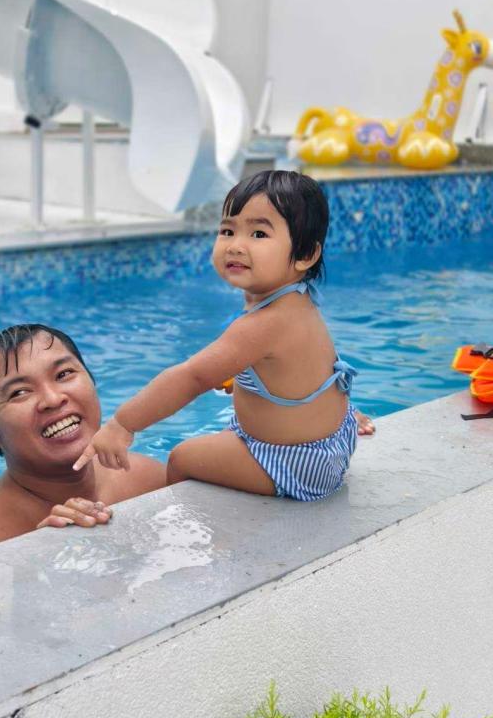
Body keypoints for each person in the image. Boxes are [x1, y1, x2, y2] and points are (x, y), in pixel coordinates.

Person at [76, 170, 362, 502]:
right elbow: (294, 371)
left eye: (258, 233)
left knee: (181, 458)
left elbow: (192, 377)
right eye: (228, 231)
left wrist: (122, 424)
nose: (236, 246)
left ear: (305, 255)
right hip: (332, 441)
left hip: (296, 463)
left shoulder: (263, 324)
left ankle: (186, 524)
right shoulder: (298, 299)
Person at [0, 325, 167, 562]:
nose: (53, 399)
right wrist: (40, 560)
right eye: (19, 392)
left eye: (64, 374)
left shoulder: (146, 479)